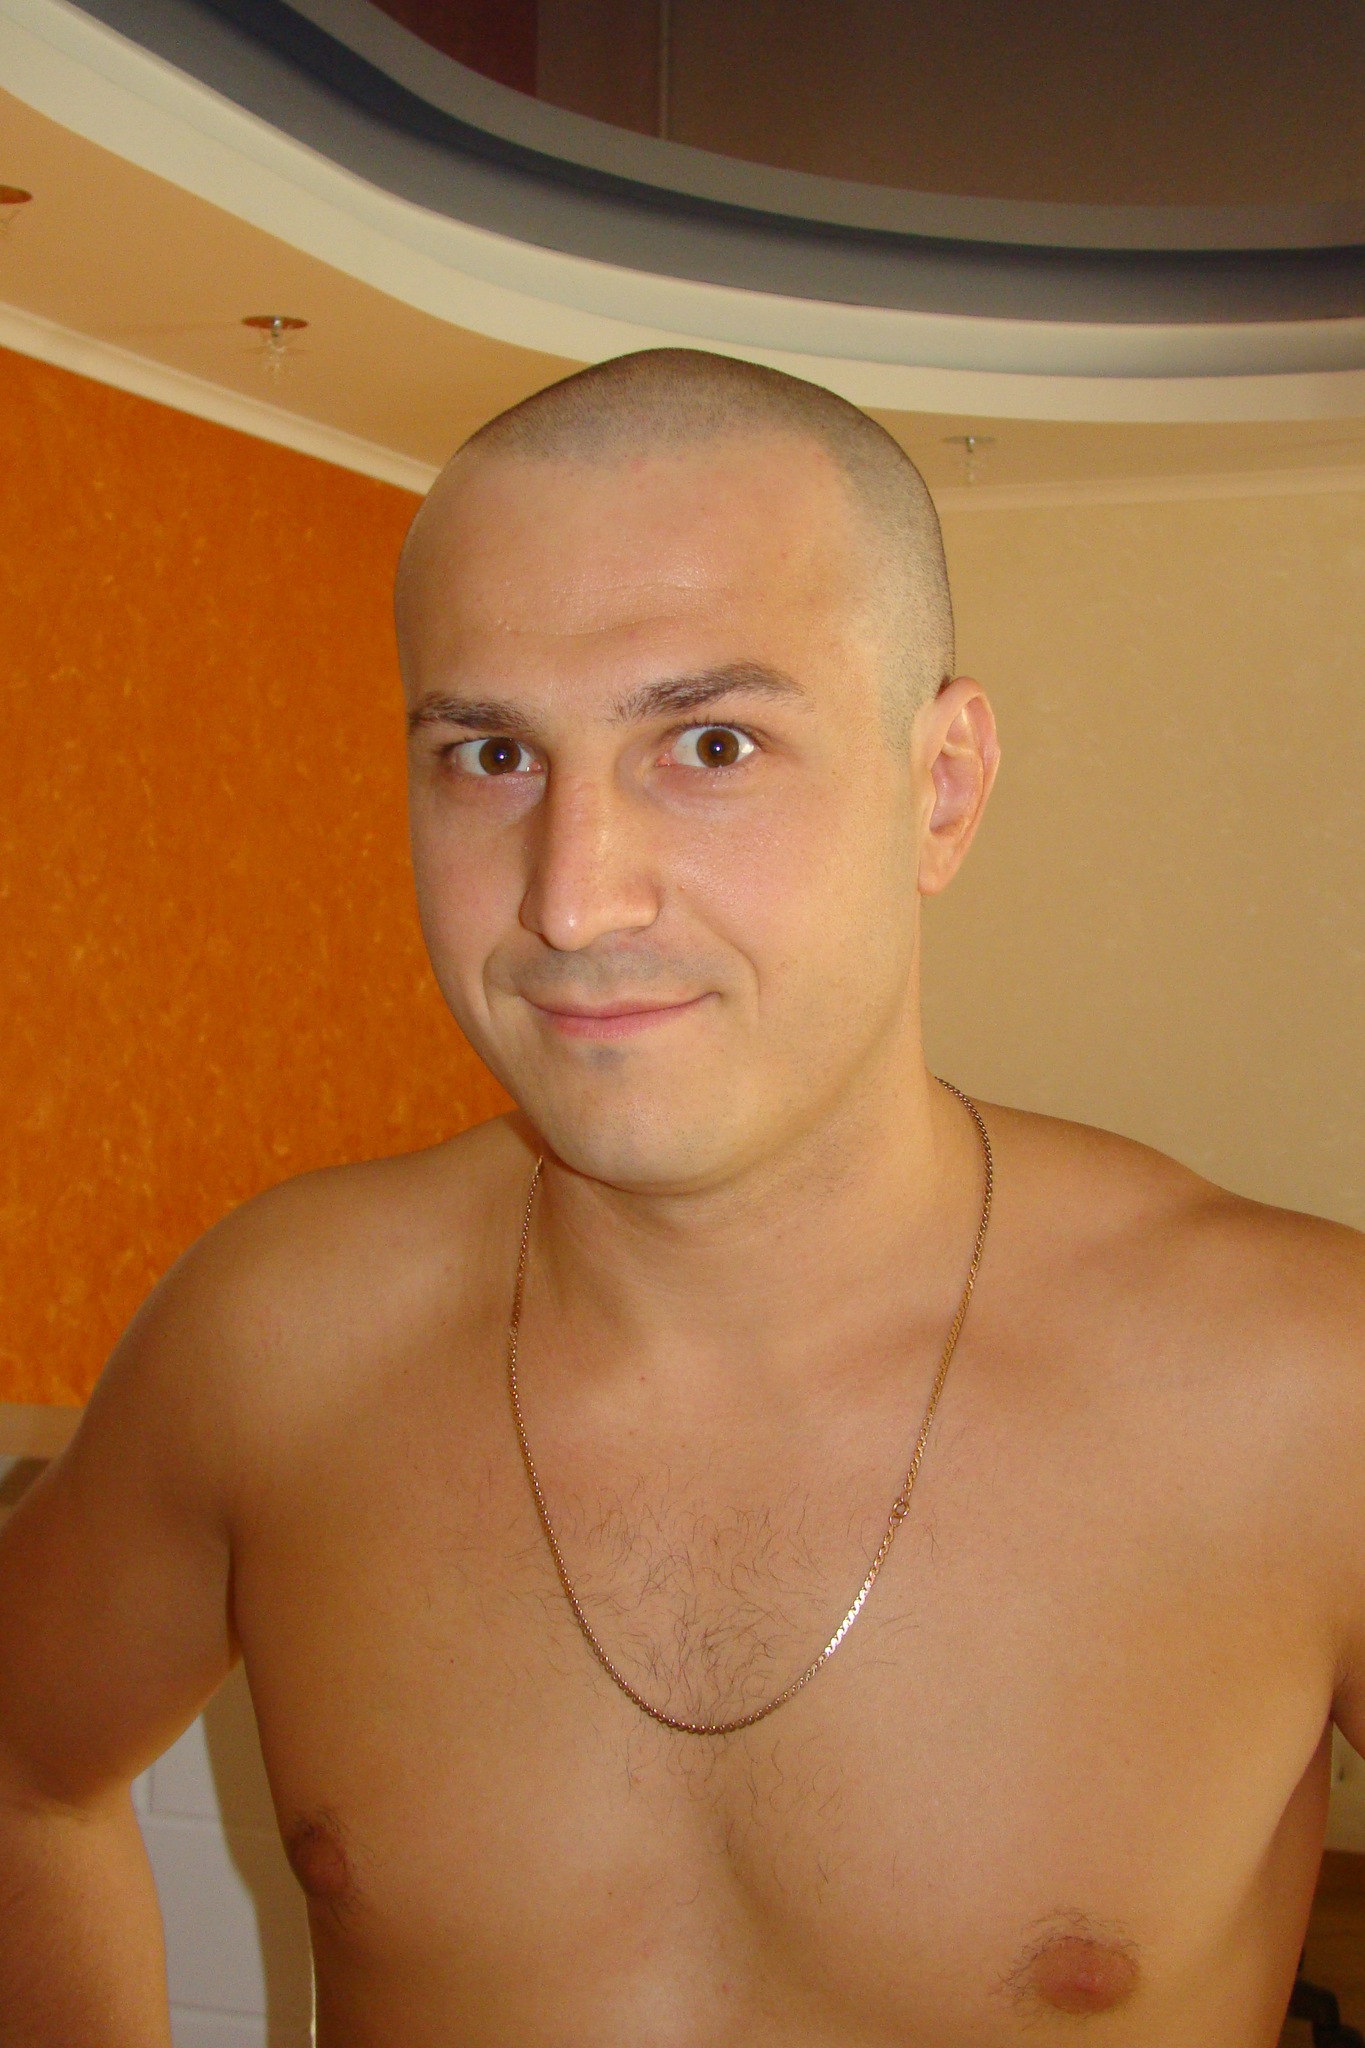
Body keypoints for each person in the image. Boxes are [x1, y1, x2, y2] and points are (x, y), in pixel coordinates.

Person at [0, 348, 1361, 2047]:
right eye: (490, 754)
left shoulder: (1296, 1391)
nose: (570, 899)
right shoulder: (281, 1339)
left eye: (709, 743)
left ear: (940, 785)